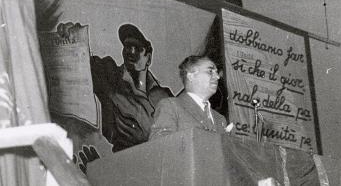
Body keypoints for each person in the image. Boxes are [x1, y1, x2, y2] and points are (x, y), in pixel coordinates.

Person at [57, 22, 173, 152]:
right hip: (124, 160)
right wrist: (75, 41)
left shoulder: (164, 96)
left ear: (149, 58)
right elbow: (84, 64)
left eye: (138, 48)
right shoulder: (110, 74)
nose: (131, 52)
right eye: (128, 47)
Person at [150, 55, 228, 139]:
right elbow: (160, 145)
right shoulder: (170, 106)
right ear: (191, 76)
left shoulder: (221, 120)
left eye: (216, 72)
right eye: (210, 71)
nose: (217, 77)